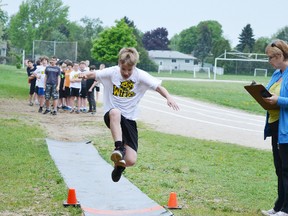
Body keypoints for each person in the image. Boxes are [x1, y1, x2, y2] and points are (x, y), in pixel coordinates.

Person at [79, 47, 179, 182]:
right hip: (112, 115)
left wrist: (168, 97)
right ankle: (119, 147)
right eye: (123, 69)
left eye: (129, 70)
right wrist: (85, 75)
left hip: (129, 119)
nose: (126, 73)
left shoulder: (140, 75)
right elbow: (94, 74)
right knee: (115, 112)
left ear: (134, 66)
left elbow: (158, 87)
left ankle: (119, 166)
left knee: (131, 160)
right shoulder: (112, 72)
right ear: (119, 64)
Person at [261, 40, 288, 216]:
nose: (269, 61)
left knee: (287, 169)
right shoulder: (276, 74)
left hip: (286, 128)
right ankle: (279, 205)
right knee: (279, 168)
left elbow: (280, 98)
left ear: (281, 56)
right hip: (274, 124)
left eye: (271, 57)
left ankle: (286, 209)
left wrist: (278, 100)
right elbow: (271, 93)